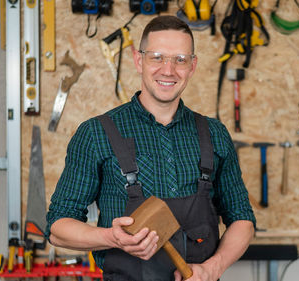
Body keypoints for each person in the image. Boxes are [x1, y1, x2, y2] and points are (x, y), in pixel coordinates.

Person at [46, 15, 255, 281]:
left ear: (192, 65)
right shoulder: (96, 133)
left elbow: (243, 220)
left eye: (180, 59)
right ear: (138, 60)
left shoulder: (215, 134)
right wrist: (111, 237)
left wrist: (212, 268)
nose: (168, 70)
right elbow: (58, 227)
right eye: (157, 57)